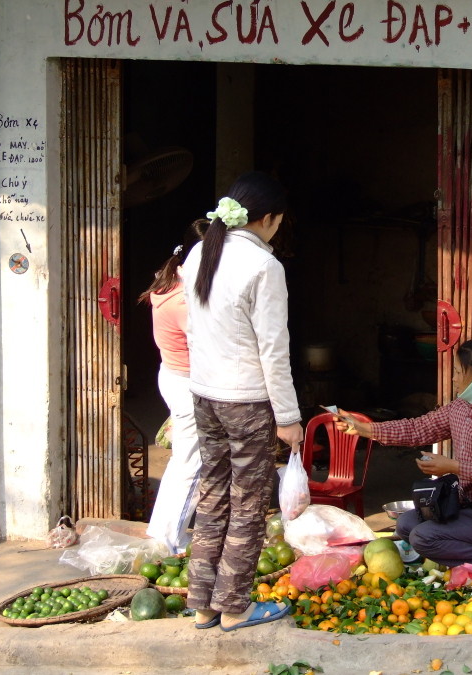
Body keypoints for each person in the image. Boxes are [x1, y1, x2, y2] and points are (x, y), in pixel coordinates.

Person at [181, 171, 304, 631]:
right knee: (248, 502)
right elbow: (274, 348)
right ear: (268, 218)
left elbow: (193, 329)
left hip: (205, 394)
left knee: (211, 495)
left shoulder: (199, 253)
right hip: (247, 402)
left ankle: (202, 604)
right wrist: (289, 418)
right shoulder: (264, 267)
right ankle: (235, 607)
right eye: (278, 222)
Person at [337, 337, 472, 584]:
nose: (453, 378)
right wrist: (365, 429)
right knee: (406, 525)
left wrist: (452, 467)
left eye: (457, 372)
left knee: (424, 538)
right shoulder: (461, 408)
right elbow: (417, 429)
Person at [139, 219, 209, 556]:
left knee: (183, 459)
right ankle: (170, 543)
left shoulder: (168, 281)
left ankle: (161, 532)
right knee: (192, 463)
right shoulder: (184, 300)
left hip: (174, 376)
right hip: (187, 383)